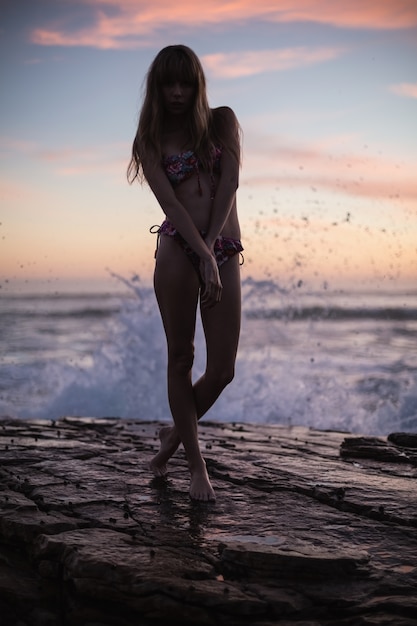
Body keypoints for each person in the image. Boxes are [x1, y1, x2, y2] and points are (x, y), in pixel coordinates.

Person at [127, 45, 243, 502]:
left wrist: (212, 252)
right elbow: (171, 205)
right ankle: (197, 469)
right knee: (181, 358)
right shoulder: (150, 139)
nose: (176, 92)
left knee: (223, 370)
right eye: (167, 84)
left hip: (223, 249)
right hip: (177, 251)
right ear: (157, 89)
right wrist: (200, 253)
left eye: (185, 83)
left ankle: (171, 438)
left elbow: (229, 184)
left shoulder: (223, 121)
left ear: (198, 86)